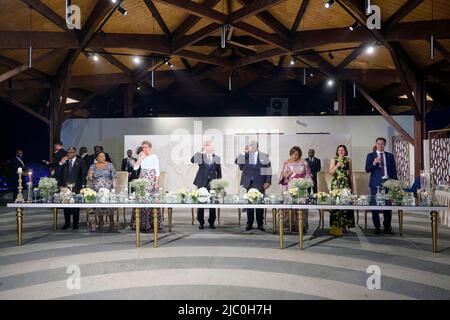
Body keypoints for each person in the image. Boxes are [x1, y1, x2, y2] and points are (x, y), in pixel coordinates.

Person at [235, 140, 272, 231]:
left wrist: (268, 181)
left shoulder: (264, 156)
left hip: (260, 182)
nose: (251, 146)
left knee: (260, 204)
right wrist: (243, 152)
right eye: (250, 145)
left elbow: (268, 169)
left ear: (257, 146)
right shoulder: (246, 155)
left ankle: (260, 224)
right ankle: (249, 223)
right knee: (249, 204)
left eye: (253, 145)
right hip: (249, 183)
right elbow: (237, 162)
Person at [365, 137, 397, 235]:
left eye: (382, 144)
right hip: (375, 184)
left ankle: (387, 227)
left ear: (384, 145)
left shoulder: (390, 156)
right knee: (375, 206)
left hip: (388, 183)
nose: (380, 145)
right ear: (376, 144)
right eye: (378, 143)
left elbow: (394, 171)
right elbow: (367, 169)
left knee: (388, 206)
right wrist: (374, 162)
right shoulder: (370, 155)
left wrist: (395, 184)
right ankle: (377, 227)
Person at [278, 146, 311, 233]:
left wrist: (306, 183)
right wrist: (285, 175)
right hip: (291, 185)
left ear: (299, 154)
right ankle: (291, 224)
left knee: (301, 204)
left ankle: (301, 225)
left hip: (301, 185)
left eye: (296, 154)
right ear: (291, 154)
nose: (294, 156)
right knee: (291, 204)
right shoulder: (287, 163)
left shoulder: (304, 162)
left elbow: (308, 174)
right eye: (293, 154)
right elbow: (283, 176)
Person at [130, 140, 161, 232]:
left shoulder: (154, 157)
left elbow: (157, 171)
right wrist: (140, 159)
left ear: (150, 148)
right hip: (142, 178)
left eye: (146, 147)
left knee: (150, 200)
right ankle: (142, 224)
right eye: (143, 147)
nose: (144, 149)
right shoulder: (141, 155)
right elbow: (135, 168)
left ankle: (151, 223)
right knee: (141, 199)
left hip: (151, 178)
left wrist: (156, 182)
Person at [191, 140, 222, 229]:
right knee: (201, 202)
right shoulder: (201, 156)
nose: (209, 147)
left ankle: (212, 222)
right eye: (207, 146)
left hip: (213, 183)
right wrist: (201, 151)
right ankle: (201, 222)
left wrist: (219, 184)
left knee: (213, 202)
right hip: (202, 181)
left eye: (211, 146)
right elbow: (192, 160)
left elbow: (219, 172)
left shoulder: (217, 158)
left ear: (213, 147)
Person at [56, 147, 87, 230]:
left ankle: (75, 223)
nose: (69, 154)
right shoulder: (65, 162)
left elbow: (83, 176)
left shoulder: (81, 162)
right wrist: (61, 163)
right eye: (68, 152)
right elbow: (58, 173)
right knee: (66, 205)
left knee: (75, 206)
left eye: (71, 152)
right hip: (65, 187)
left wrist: (83, 187)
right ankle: (67, 223)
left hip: (76, 186)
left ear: (75, 152)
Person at [329, 145, 355, 234]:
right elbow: (331, 173)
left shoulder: (348, 160)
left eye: (342, 150)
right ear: (337, 151)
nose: (341, 151)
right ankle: (336, 226)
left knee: (346, 204)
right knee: (336, 204)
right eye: (339, 150)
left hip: (346, 184)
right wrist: (337, 165)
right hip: (336, 184)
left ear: (345, 151)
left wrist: (353, 187)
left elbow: (351, 175)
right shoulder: (334, 159)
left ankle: (345, 226)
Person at [88, 152, 117, 228]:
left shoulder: (110, 165)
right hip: (97, 188)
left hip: (108, 188)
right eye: (100, 156)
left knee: (109, 204)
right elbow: (89, 176)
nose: (103, 158)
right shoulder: (93, 166)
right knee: (98, 205)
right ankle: (100, 221)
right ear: (96, 158)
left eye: (104, 156)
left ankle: (111, 221)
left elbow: (114, 176)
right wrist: (90, 177)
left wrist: (114, 186)